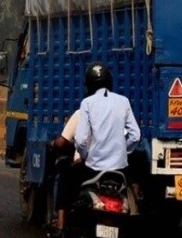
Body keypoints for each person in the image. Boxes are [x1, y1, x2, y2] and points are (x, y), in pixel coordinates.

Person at [48, 62, 140, 238]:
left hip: (92, 169)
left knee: (65, 177)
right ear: (109, 82)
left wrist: (84, 156)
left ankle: (60, 226)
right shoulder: (124, 102)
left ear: (88, 86)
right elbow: (135, 136)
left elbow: (81, 140)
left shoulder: (87, 103)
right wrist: (122, 151)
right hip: (119, 171)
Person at [47, 109, 82, 238]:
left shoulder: (82, 114)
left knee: (62, 174)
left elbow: (62, 141)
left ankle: (60, 224)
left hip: (86, 166)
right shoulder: (118, 113)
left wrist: (53, 144)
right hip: (113, 167)